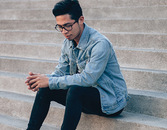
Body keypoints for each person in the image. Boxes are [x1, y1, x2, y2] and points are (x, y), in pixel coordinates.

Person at [25, 0, 129, 129]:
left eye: (68, 26)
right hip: (85, 96)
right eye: (60, 27)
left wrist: (50, 81)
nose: (64, 31)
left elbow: (87, 79)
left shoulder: (99, 43)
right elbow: (61, 72)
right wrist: (40, 80)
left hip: (110, 100)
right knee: (46, 88)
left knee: (75, 90)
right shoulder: (67, 42)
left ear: (80, 20)